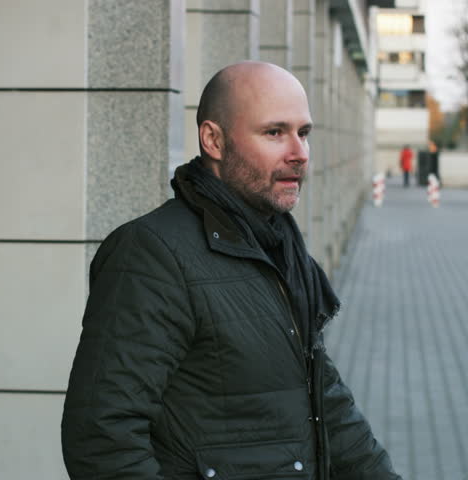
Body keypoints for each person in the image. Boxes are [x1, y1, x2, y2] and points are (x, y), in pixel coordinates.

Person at [62, 61, 401, 480]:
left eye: (304, 132)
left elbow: (324, 399)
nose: (299, 153)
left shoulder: (279, 246)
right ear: (213, 140)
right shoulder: (152, 254)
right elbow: (102, 436)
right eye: (274, 132)